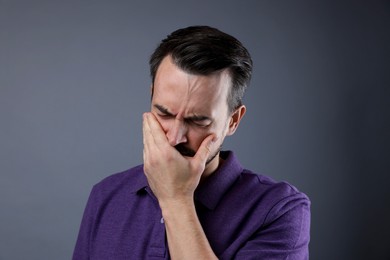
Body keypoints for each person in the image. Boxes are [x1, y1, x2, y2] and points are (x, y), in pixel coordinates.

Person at [73, 25, 310, 260]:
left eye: (198, 121)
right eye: (164, 113)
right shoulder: (106, 195)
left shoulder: (279, 210)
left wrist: (175, 199)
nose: (175, 137)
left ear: (233, 121)